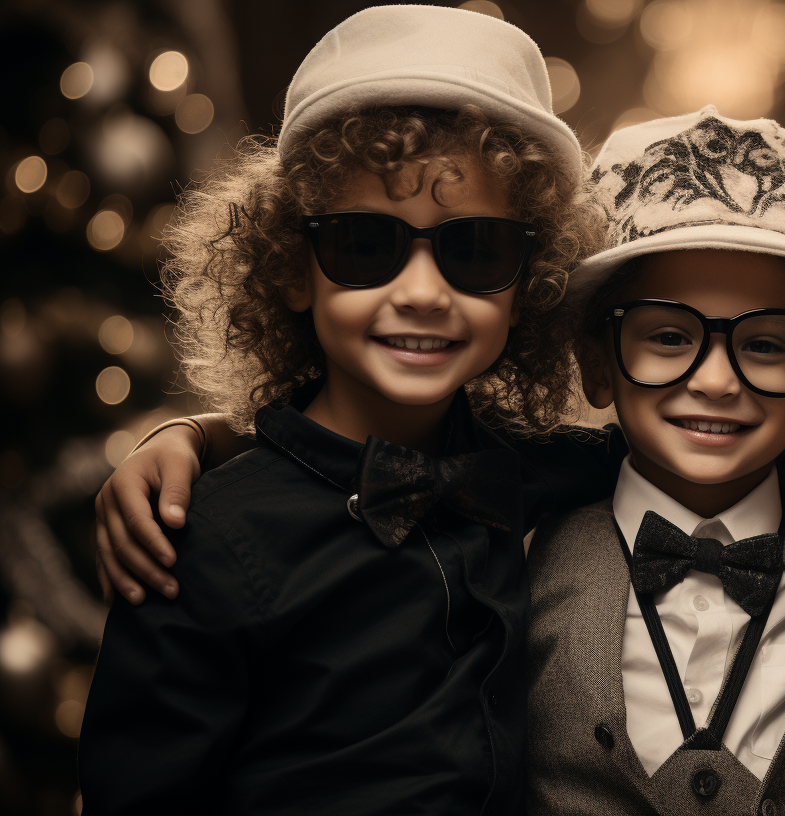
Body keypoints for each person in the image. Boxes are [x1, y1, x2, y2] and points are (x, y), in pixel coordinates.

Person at [78, 7, 620, 813]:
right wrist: (195, 437)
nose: (424, 294)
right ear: (292, 269)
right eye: (367, 244)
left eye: (475, 250)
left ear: (528, 285)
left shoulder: (539, 469)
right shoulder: (202, 541)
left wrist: (197, 430)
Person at [522, 106, 785, 814]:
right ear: (598, 365)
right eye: (667, 336)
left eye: (765, 344)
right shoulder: (520, 548)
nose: (717, 381)